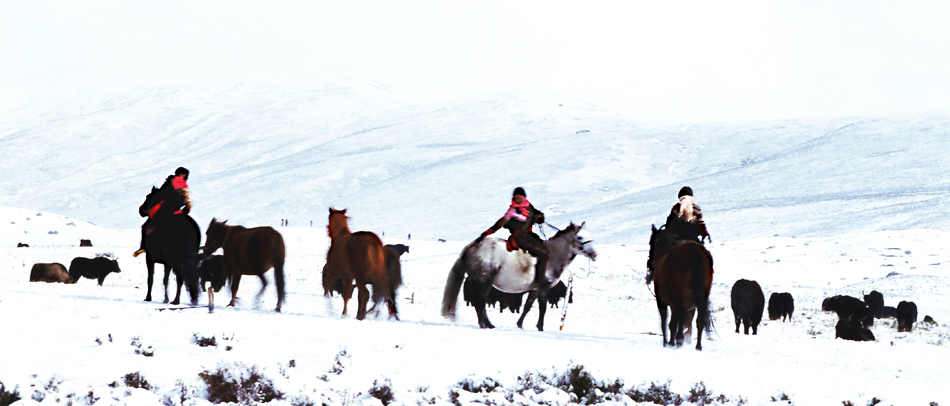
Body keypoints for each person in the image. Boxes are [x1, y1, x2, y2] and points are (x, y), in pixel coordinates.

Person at [480, 187, 549, 286]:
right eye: (516, 198)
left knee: (546, 249)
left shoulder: (529, 206)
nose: (518, 200)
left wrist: (540, 217)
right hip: (519, 236)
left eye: (520, 197)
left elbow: (537, 214)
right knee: (543, 253)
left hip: (529, 235)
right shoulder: (512, 211)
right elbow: (501, 222)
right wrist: (488, 232)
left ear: (524, 197)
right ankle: (539, 281)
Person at [133, 167, 192, 257]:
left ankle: (143, 246)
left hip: (166, 209)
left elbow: (161, 194)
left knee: (146, 226)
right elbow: (185, 201)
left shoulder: (174, 182)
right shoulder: (181, 185)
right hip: (174, 209)